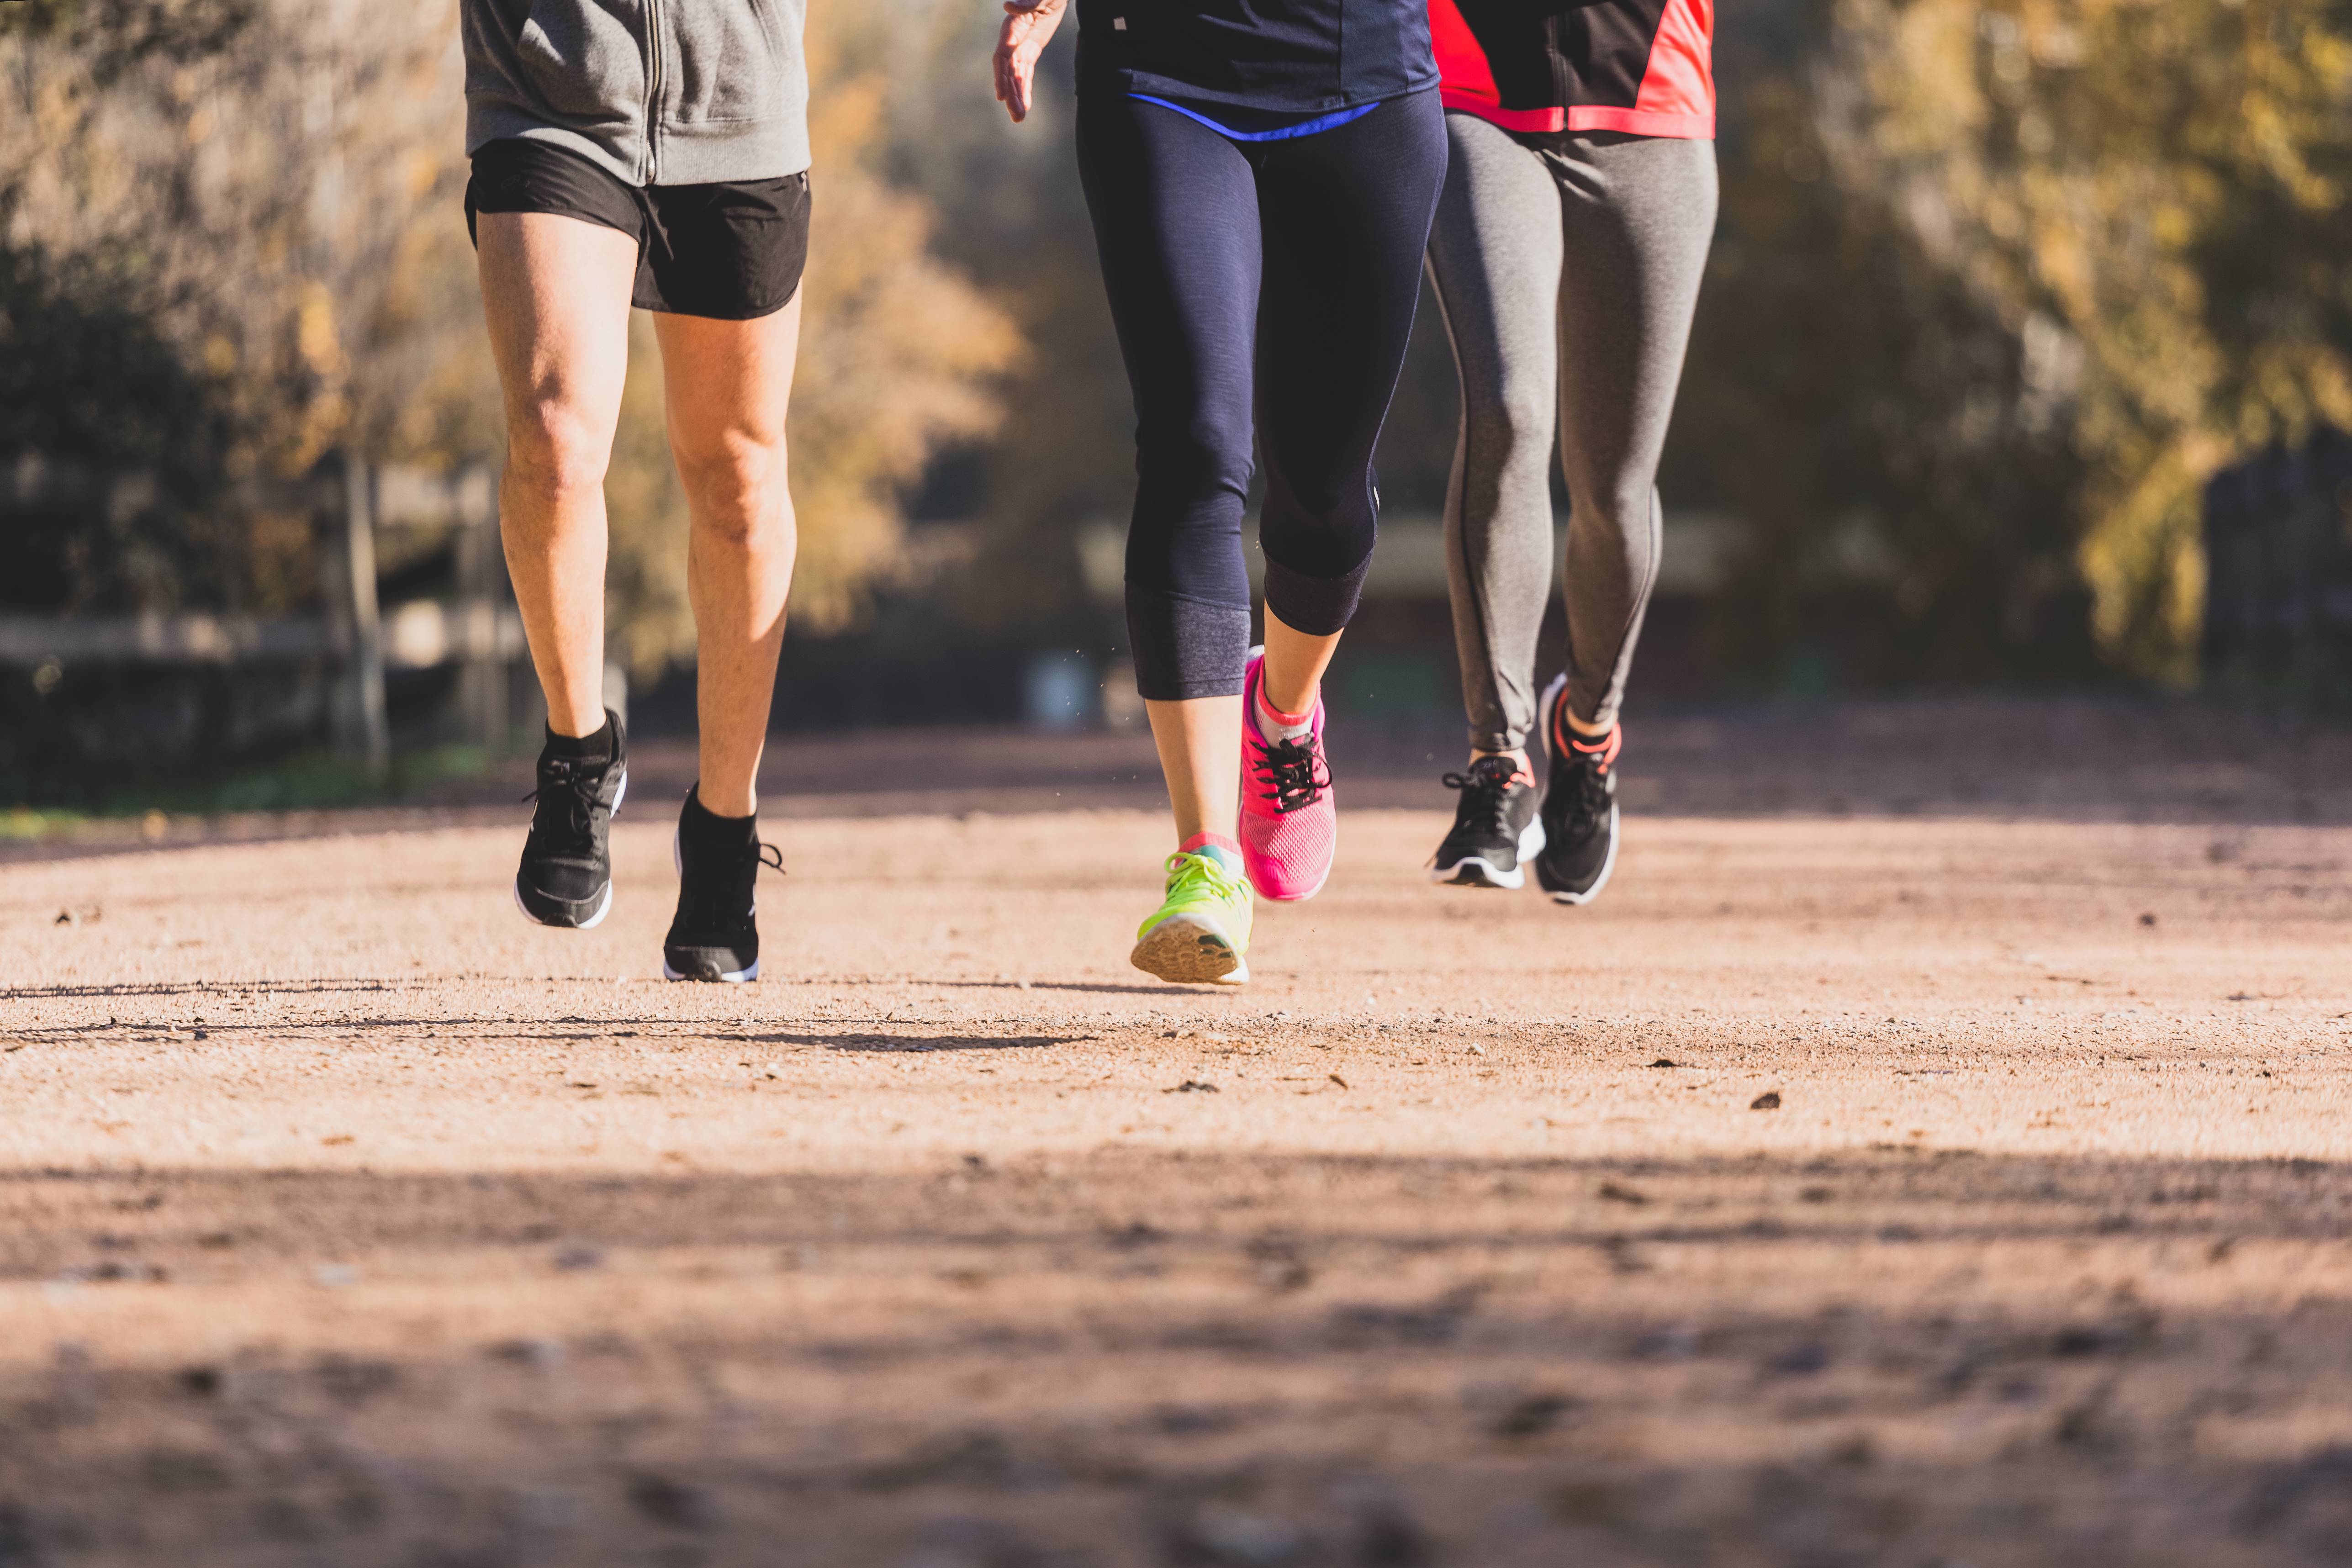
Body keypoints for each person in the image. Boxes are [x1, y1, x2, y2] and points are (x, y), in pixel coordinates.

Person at [994, 0, 1448, 985]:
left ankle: (1282, 712)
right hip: (1159, 78)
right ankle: (1205, 863)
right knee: (1194, 445)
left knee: (1323, 495)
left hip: (1361, 85)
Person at [461, 0, 807, 980]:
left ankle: (724, 830)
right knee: (557, 436)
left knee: (738, 473)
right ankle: (578, 754)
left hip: (741, 101)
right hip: (547, 88)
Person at [1419, 0, 1716, 902]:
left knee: (1616, 485)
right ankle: (1498, 762)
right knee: (1508, 410)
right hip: (1474, 102)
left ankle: (1586, 732)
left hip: (1649, 114)